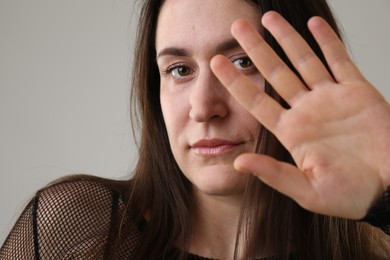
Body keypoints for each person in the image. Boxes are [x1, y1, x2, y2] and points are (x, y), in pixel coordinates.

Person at [1, 0, 390, 259]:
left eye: (242, 63)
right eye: (180, 70)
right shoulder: (81, 229)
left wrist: (385, 195)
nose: (204, 109)